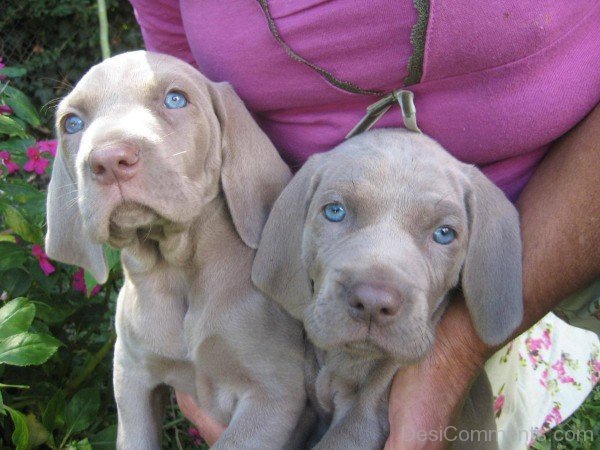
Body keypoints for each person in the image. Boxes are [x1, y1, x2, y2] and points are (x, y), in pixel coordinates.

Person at [128, 1, 600, 448]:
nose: (376, 296)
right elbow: (184, 103)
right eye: (338, 210)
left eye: (442, 231)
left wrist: (454, 356)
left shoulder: (483, 226)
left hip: (529, 253)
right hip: (283, 260)